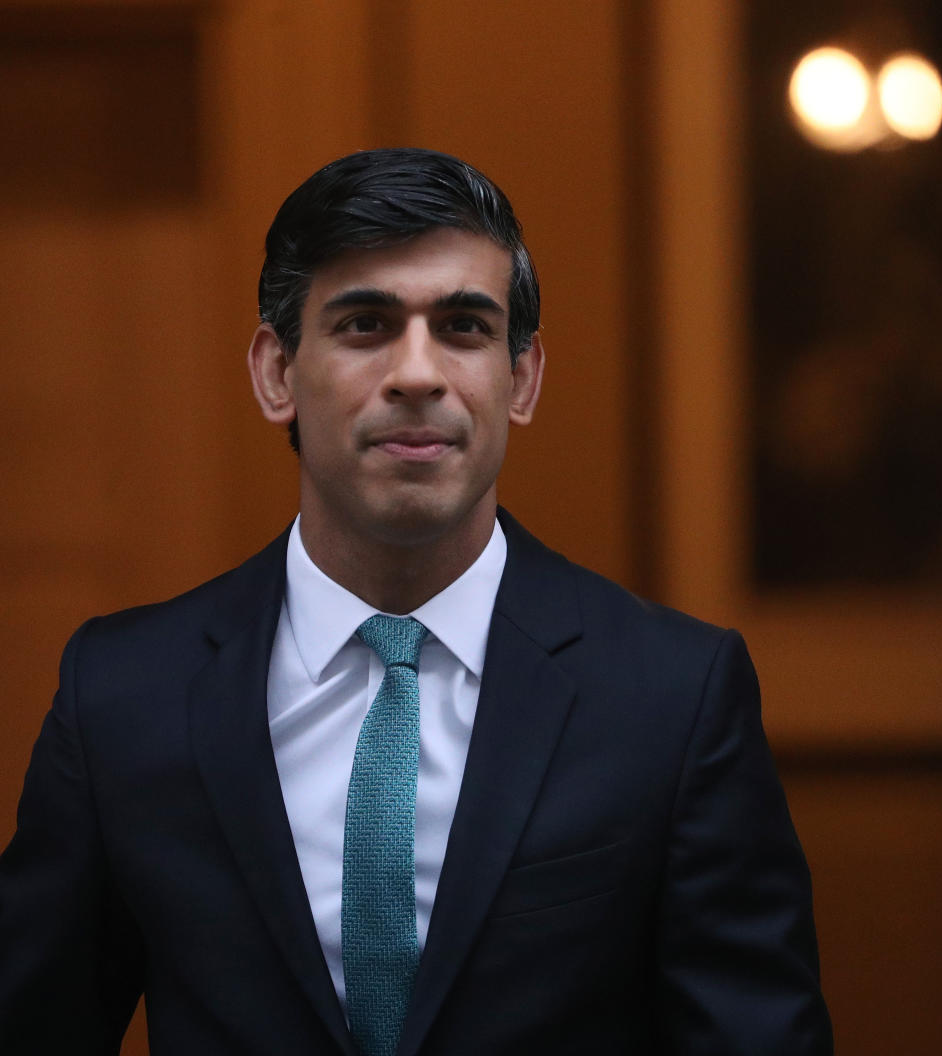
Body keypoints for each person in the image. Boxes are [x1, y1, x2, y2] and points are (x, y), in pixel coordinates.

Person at [0, 148, 832, 1055]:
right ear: (277, 373)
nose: (418, 374)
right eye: (365, 324)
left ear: (522, 379)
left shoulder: (672, 696)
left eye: (465, 328)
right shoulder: (123, 695)